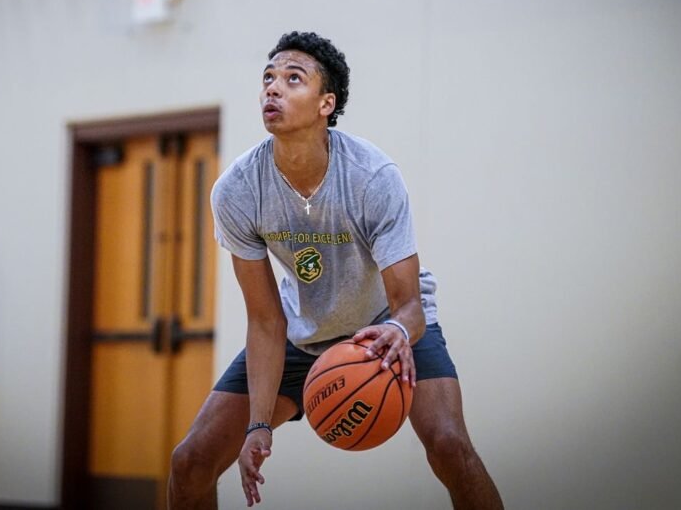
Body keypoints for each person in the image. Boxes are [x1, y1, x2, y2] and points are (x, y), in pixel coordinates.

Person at [168, 31, 503, 509]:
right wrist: (258, 424)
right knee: (191, 462)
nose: (272, 88)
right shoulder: (237, 191)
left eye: (292, 78)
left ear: (326, 103)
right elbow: (265, 320)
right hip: (302, 334)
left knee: (451, 447)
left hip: (385, 324)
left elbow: (409, 306)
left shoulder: (371, 177)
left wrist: (397, 332)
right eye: (268, 77)